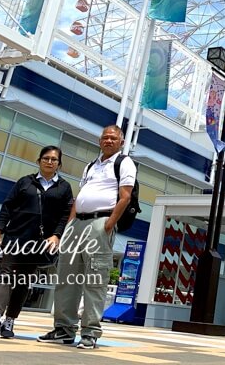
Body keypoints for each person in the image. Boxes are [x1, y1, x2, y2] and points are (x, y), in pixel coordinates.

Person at [38, 124, 135, 349]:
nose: (108, 141)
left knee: (94, 279)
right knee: (66, 277)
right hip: (78, 222)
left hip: (100, 222)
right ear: (100, 141)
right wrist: (70, 225)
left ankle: (90, 332)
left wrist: (109, 224)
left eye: (113, 138)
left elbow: (125, 197)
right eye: (105, 137)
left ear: (121, 142)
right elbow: (80, 196)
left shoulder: (124, 163)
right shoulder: (92, 165)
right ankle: (64, 329)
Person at [0, 145, 74, 339]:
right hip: (16, 237)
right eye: (46, 158)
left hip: (40, 243)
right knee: (6, 276)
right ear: (39, 161)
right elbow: (7, 206)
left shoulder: (64, 188)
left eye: (54, 159)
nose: (49, 162)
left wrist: (57, 235)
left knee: (23, 282)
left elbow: (65, 215)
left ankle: (10, 321)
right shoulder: (25, 182)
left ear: (59, 164)